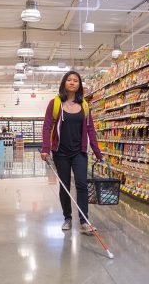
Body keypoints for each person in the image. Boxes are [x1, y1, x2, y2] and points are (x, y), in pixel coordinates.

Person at [41, 71, 103, 234]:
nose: (72, 82)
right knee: (65, 185)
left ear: (79, 85)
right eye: (69, 80)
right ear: (64, 83)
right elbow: (47, 126)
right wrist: (46, 148)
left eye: (76, 80)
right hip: (60, 151)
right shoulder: (54, 104)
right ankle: (67, 218)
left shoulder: (84, 105)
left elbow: (90, 129)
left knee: (82, 184)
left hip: (79, 151)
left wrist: (97, 151)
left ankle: (84, 221)